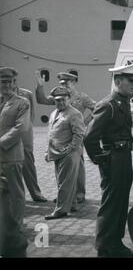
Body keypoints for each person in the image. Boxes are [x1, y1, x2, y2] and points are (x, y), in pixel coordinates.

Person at [84, 63, 133, 258]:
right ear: (118, 81)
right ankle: (105, 246)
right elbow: (89, 137)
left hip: (124, 157)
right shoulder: (108, 104)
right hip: (114, 159)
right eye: (131, 81)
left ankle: (115, 244)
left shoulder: (123, 101)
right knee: (111, 204)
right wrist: (102, 160)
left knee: (120, 202)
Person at [35, 70, 96, 203]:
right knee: (60, 166)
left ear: (74, 82)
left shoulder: (82, 97)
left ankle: (79, 194)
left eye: (67, 82)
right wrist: (40, 85)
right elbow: (42, 100)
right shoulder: (61, 95)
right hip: (62, 136)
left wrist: (85, 123)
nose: (64, 85)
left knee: (77, 165)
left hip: (75, 136)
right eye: (62, 83)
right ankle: (64, 194)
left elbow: (96, 109)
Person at [44, 86, 85, 220]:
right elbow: (51, 134)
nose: (60, 102)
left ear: (68, 99)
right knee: (63, 181)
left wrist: (70, 149)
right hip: (56, 153)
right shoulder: (54, 113)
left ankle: (61, 210)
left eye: (62, 100)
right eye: (57, 100)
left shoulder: (74, 113)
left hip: (68, 154)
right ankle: (72, 204)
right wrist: (47, 151)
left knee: (64, 183)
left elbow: (79, 134)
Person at [0, 67, 30, 227]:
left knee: (15, 192)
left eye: (7, 81)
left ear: (14, 83)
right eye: (2, 81)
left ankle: (17, 225)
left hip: (11, 156)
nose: (5, 85)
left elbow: (21, 128)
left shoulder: (22, 103)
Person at [12, 75, 47, 203]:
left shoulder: (26, 94)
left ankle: (36, 193)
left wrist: (27, 129)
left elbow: (31, 114)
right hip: (6, 133)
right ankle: (13, 195)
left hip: (25, 133)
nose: (9, 83)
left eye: (12, 80)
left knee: (28, 162)